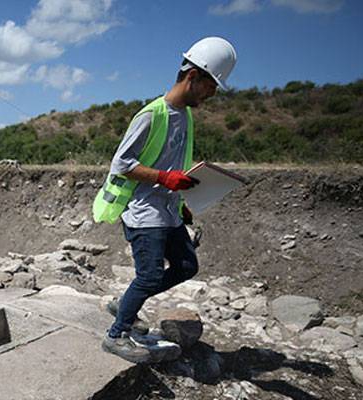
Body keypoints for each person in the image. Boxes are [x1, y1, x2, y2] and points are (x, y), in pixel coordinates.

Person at [92, 37, 237, 363]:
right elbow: (122, 164)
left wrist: (181, 197)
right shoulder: (151, 114)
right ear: (193, 77)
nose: (212, 95)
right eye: (211, 86)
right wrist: (163, 178)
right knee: (150, 275)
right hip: (144, 212)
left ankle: (125, 301)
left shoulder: (185, 116)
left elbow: (174, 163)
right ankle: (116, 335)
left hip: (168, 209)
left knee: (186, 266)